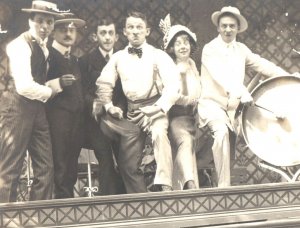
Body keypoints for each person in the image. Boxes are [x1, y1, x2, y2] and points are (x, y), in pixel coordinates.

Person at [198, 6, 290, 187]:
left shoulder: (241, 49)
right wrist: (242, 92)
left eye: (232, 26)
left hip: (233, 108)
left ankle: (283, 178)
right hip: (212, 105)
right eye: (224, 26)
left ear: (237, 28)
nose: (227, 30)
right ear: (218, 27)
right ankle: (224, 189)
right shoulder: (210, 49)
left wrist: (288, 76)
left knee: (267, 125)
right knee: (222, 133)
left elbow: (263, 65)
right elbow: (221, 76)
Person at [93, 11, 180, 193]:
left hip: (155, 108)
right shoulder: (118, 57)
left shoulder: (158, 55)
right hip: (132, 113)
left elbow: (174, 86)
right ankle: (140, 201)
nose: (135, 31)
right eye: (130, 27)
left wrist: (158, 108)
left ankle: (166, 186)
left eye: (139, 27)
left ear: (147, 31)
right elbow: (103, 83)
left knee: (158, 134)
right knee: (128, 163)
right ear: (124, 32)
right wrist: (109, 106)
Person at [0, 1, 63, 202]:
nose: (45, 27)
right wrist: (49, 92)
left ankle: (38, 215)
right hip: (16, 107)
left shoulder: (44, 48)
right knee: (11, 166)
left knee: (46, 166)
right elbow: (24, 86)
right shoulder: (19, 45)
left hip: (37, 109)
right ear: (30, 21)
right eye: (40, 22)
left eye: (50, 22)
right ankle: (4, 219)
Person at [80, 18, 126, 195]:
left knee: (125, 160)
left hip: (119, 118)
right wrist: (95, 103)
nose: (107, 37)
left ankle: (128, 203)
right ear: (94, 36)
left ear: (116, 37)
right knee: (105, 158)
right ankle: (107, 205)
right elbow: (82, 91)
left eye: (111, 33)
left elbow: (125, 91)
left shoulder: (123, 59)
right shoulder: (85, 61)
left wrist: (119, 108)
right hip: (96, 121)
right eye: (103, 33)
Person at [46, 14, 86, 199]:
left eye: (71, 30)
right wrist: (58, 82)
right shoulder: (48, 55)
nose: (68, 33)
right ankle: (62, 206)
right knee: (60, 162)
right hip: (57, 118)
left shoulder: (74, 59)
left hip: (75, 119)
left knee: (71, 162)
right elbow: (38, 84)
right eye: (63, 30)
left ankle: (68, 203)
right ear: (53, 32)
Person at [159, 15, 200, 190]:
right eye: (178, 43)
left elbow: (198, 90)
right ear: (171, 48)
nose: (183, 46)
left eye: (186, 42)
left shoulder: (192, 64)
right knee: (185, 141)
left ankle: (191, 181)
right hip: (178, 116)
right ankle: (189, 183)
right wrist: (181, 76)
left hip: (194, 116)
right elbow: (181, 96)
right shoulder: (172, 68)